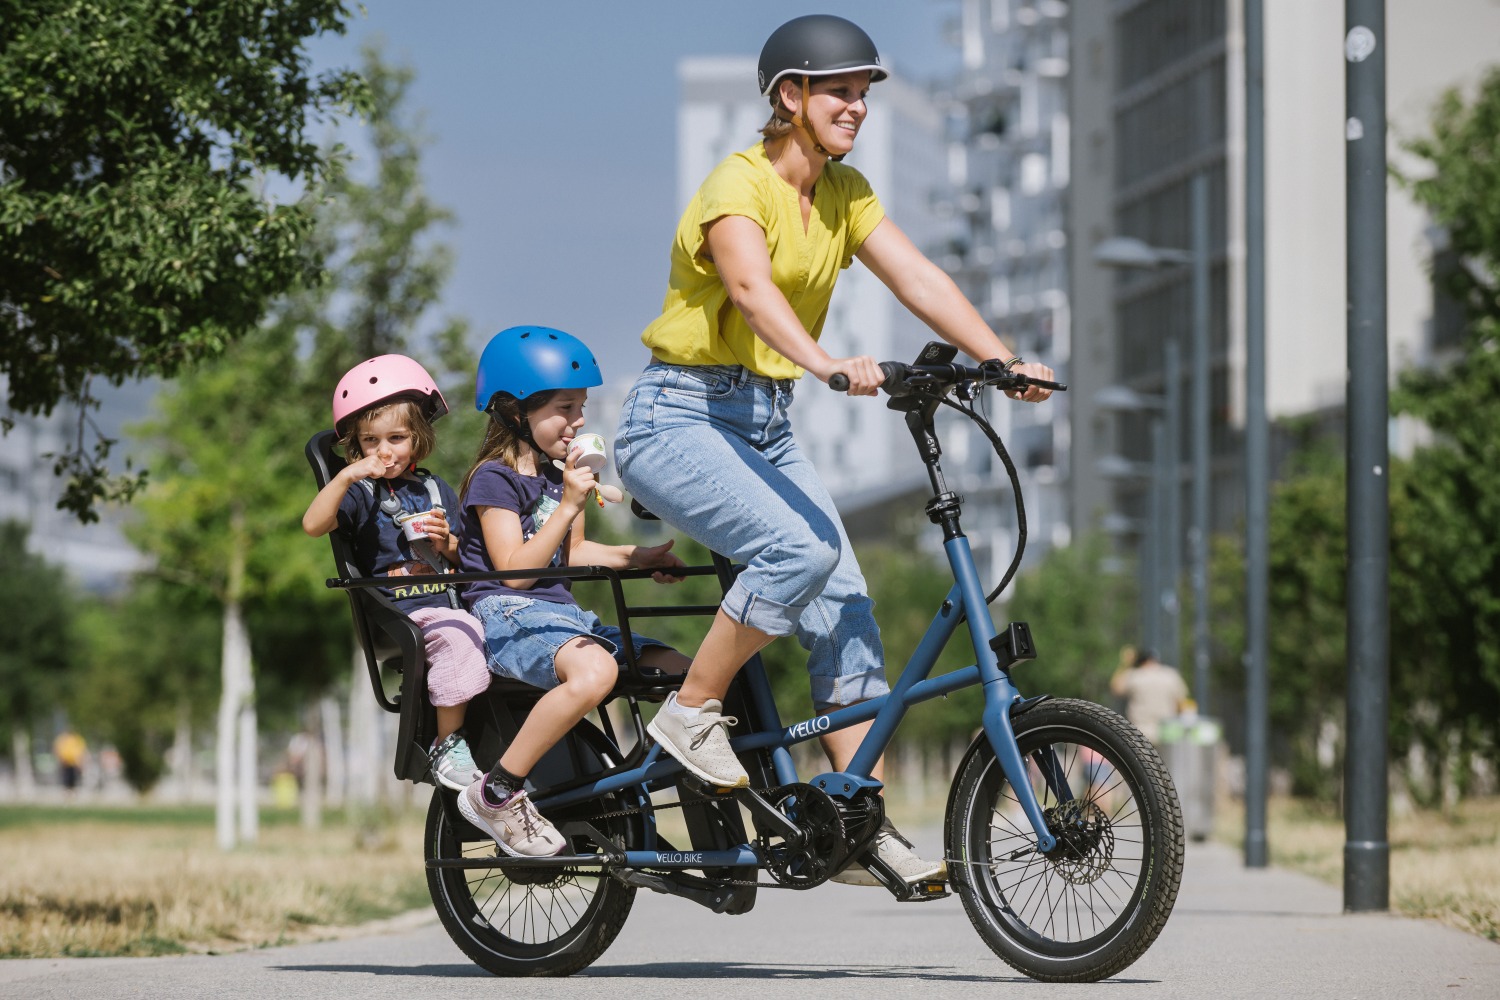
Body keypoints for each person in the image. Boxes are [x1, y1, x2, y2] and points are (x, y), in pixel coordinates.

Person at [614, 14, 1056, 889]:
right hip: (676, 418)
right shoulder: (736, 184)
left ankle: (857, 819)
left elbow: (919, 278)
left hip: (764, 421)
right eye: (840, 92)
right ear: (791, 97)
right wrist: (821, 362)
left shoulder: (845, 193)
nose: (857, 107)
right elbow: (747, 288)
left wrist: (1000, 359)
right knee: (800, 549)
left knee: (847, 605)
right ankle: (691, 715)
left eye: (864, 93)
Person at [457, 326, 691, 858]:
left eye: (581, 406)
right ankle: (498, 791)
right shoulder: (493, 479)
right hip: (506, 612)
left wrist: (639, 558)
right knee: (597, 672)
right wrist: (566, 503)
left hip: (564, 619)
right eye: (565, 407)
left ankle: (646, 784)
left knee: (690, 671)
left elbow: (574, 553)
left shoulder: (557, 475)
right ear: (516, 412)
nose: (579, 420)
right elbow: (513, 573)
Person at [303, 354, 490, 792]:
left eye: (397, 438)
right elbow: (313, 525)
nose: (384, 451)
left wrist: (447, 544)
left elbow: (466, 558)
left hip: (448, 602)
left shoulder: (434, 489)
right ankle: (448, 744)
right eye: (370, 441)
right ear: (356, 445)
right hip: (402, 614)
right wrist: (347, 476)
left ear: (418, 438)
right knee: (461, 630)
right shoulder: (360, 493)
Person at [1110, 647, 1189, 746]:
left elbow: (1115, 688)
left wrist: (1126, 664)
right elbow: (1182, 705)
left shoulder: (1135, 675)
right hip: (1166, 733)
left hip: (1140, 733)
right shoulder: (1171, 675)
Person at [53, 728, 87, 795]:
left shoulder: (77, 739)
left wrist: (80, 760)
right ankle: (67, 791)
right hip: (65, 761)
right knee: (66, 777)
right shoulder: (63, 739)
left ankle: (72, 791)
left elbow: (81, 750)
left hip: (74, 762)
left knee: (73, 777)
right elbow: (57, 749)